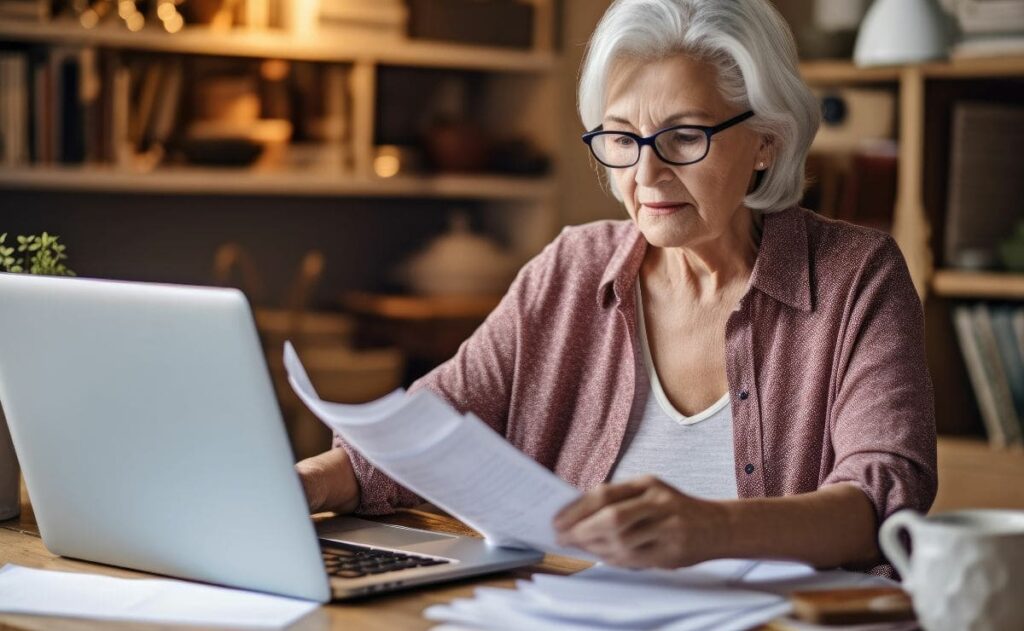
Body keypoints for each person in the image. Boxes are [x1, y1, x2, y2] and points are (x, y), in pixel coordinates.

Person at [296, 0, 936, 575]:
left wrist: (712, 528)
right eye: (622, 138)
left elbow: (885, 497)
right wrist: (303, 484)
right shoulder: (572, 268)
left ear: (765, 141)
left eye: (684, 136)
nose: (646, 173)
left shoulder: (856, 275)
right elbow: (433, 424)